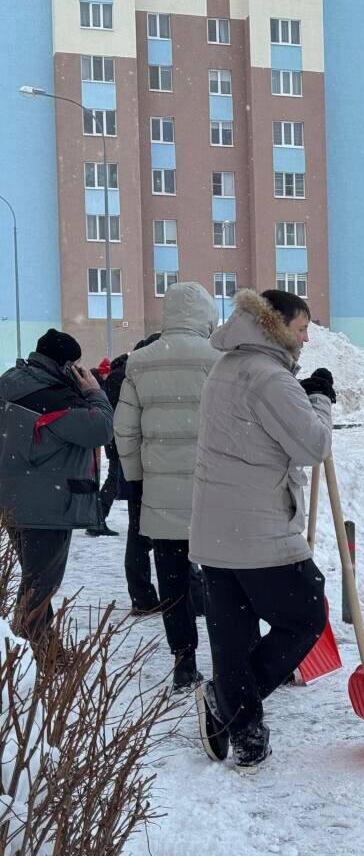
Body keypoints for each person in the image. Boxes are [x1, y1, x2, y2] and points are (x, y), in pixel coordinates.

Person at [189, 288, 335, 771]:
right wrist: (318, 400)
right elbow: (312, 446)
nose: (307, 337)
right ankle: (227, 703)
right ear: (277, 326)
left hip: (216, 529)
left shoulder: (226, 367)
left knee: (233, 637)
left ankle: (246, 730)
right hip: (257, 530)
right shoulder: (269, 377)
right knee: (307, 614)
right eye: (301, 328)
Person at [115, 282, 219, 693]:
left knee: (172, 582)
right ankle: (232, 659)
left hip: (160, 495)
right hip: (213, 493)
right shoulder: (219, 359)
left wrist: (138, 477)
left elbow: (124, 430)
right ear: (205, 316)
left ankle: (184, 663)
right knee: (222, 580)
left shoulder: (139, 362)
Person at [0, 329, 113, 649]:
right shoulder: (52, 396)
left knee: (35, 581)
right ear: (65, 365)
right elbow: (100, 429)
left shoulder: (11, 382)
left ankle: (48, 651)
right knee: (40, 587)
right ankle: (28, 657)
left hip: (14, 498)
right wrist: (94, 393)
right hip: (47, 504)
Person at [96, 337, 165, 613]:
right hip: (141, 461)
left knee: (139, 535)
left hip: (135, 460)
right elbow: (123, 422)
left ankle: (143, 597)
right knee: (165, 536)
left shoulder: (124, 374)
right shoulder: (132, 376)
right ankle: (182, 596)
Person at [86, 356, 119, 538]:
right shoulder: (104, 385)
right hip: (114, 438)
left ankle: (96, 518)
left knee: (113, 479)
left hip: (111, 438)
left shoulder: (102, 383)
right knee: (114, 480)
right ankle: (97, 518)